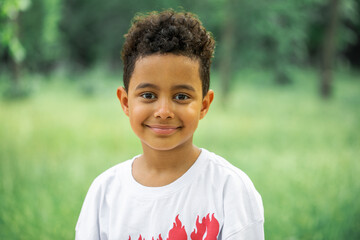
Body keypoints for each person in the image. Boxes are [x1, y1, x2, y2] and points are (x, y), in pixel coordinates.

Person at [75, 9, 264, 240]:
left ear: (204, 105)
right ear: (126, 102)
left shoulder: (230, 190)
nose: (163, 112)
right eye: (148, 95)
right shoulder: (104, 193)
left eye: (181, 97)